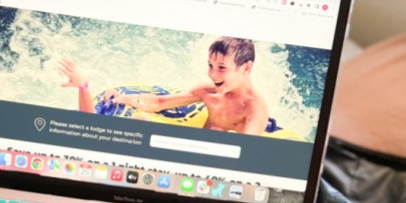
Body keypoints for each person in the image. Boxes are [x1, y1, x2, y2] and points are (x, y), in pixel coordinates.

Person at [58, 37, 270, 135]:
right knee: (140, 121)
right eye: (210, 65)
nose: (213, 73)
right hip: (198, 140)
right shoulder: (209, 91)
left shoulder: (254, 109)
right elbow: (160, 102)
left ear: (246, 68)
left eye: (222, 67)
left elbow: (244, 155)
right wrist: (124, 99)